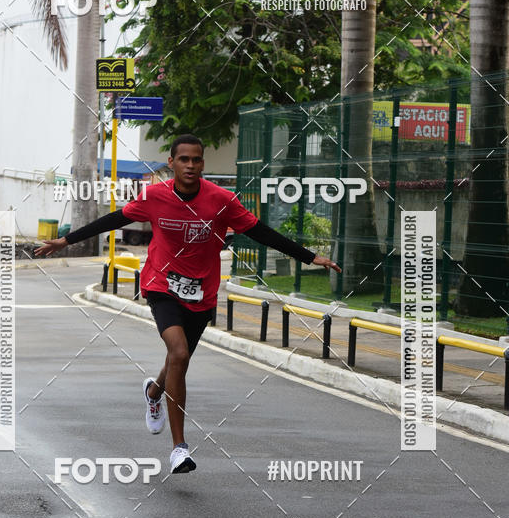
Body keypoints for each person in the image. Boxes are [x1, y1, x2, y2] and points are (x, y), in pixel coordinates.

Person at [35, 135, 341, 473]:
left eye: (196, 160)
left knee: (177, 360)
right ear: (172, 163)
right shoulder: (155, 196)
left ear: (203, 164)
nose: (190, 166)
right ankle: (179, 449)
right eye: (184, 159)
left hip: (202, 292)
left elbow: (260, 231)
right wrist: (65, 240)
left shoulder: (221, 200)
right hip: (161, 285)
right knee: (179, 353)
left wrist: (309, 257)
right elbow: (115, 219)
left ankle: (154, 392)